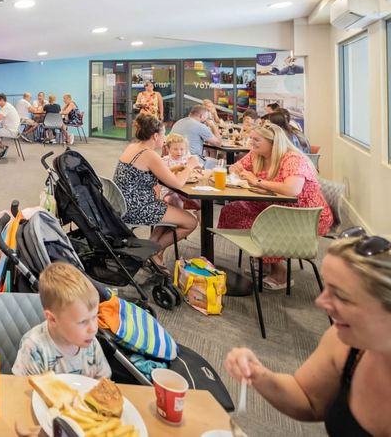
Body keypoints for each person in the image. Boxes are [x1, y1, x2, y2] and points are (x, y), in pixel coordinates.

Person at [224, 230, 391, 435]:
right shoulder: (346, 343)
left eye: (340, 296)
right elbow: (309, 400)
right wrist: (260, 375)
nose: (320, 302)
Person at [219, 123, 332, 289]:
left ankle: (279, 271)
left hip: (302, 215)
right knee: (232, 211)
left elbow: (292, 190)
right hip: (273, 206)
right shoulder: (257, 155)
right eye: (251, 138)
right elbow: (238, 167)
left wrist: (256, 180)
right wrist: (237, 170)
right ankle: (264, 260)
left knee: (260, 223)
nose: (251, 142)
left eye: (256, 139)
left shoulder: (293, 159)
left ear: (273, 142)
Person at [113, 114, 198, 269]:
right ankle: (155, 252)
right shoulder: (150, 154)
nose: (165, 138)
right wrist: (190, 166)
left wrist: (174, 169)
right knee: (191, 222)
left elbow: (146, 173)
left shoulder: (133, 146)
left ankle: (152, 247)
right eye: (164, 134)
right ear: (155, 136)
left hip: (124, 203)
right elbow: (178, 183)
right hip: (138, 208)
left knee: (175, 211)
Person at [11, 262, 111, 378]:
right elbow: (20, 389)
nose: (93, 328)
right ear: (52, 319)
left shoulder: (90, 342)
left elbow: (104, 382)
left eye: (94, 317)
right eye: (83, 322)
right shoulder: (34, 348)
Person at [158, 133, 202, 211]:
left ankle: (201, 220)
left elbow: (197, 170)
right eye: (175, 149)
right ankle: (181, 219)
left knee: (197, 201)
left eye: (182, 149)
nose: (179, 152)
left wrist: (197, 169)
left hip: (185, 189)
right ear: (168, 149)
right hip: (169, 191)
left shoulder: (186, 160)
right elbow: (163, 176)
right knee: (175, 200)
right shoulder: (165, 161)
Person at [0, 93, 21, 159]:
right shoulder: (6, 106)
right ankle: (2, 148)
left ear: (1, 100)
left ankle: (3, 147)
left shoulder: (6, 107)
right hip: (10, 129)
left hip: (10, 130)